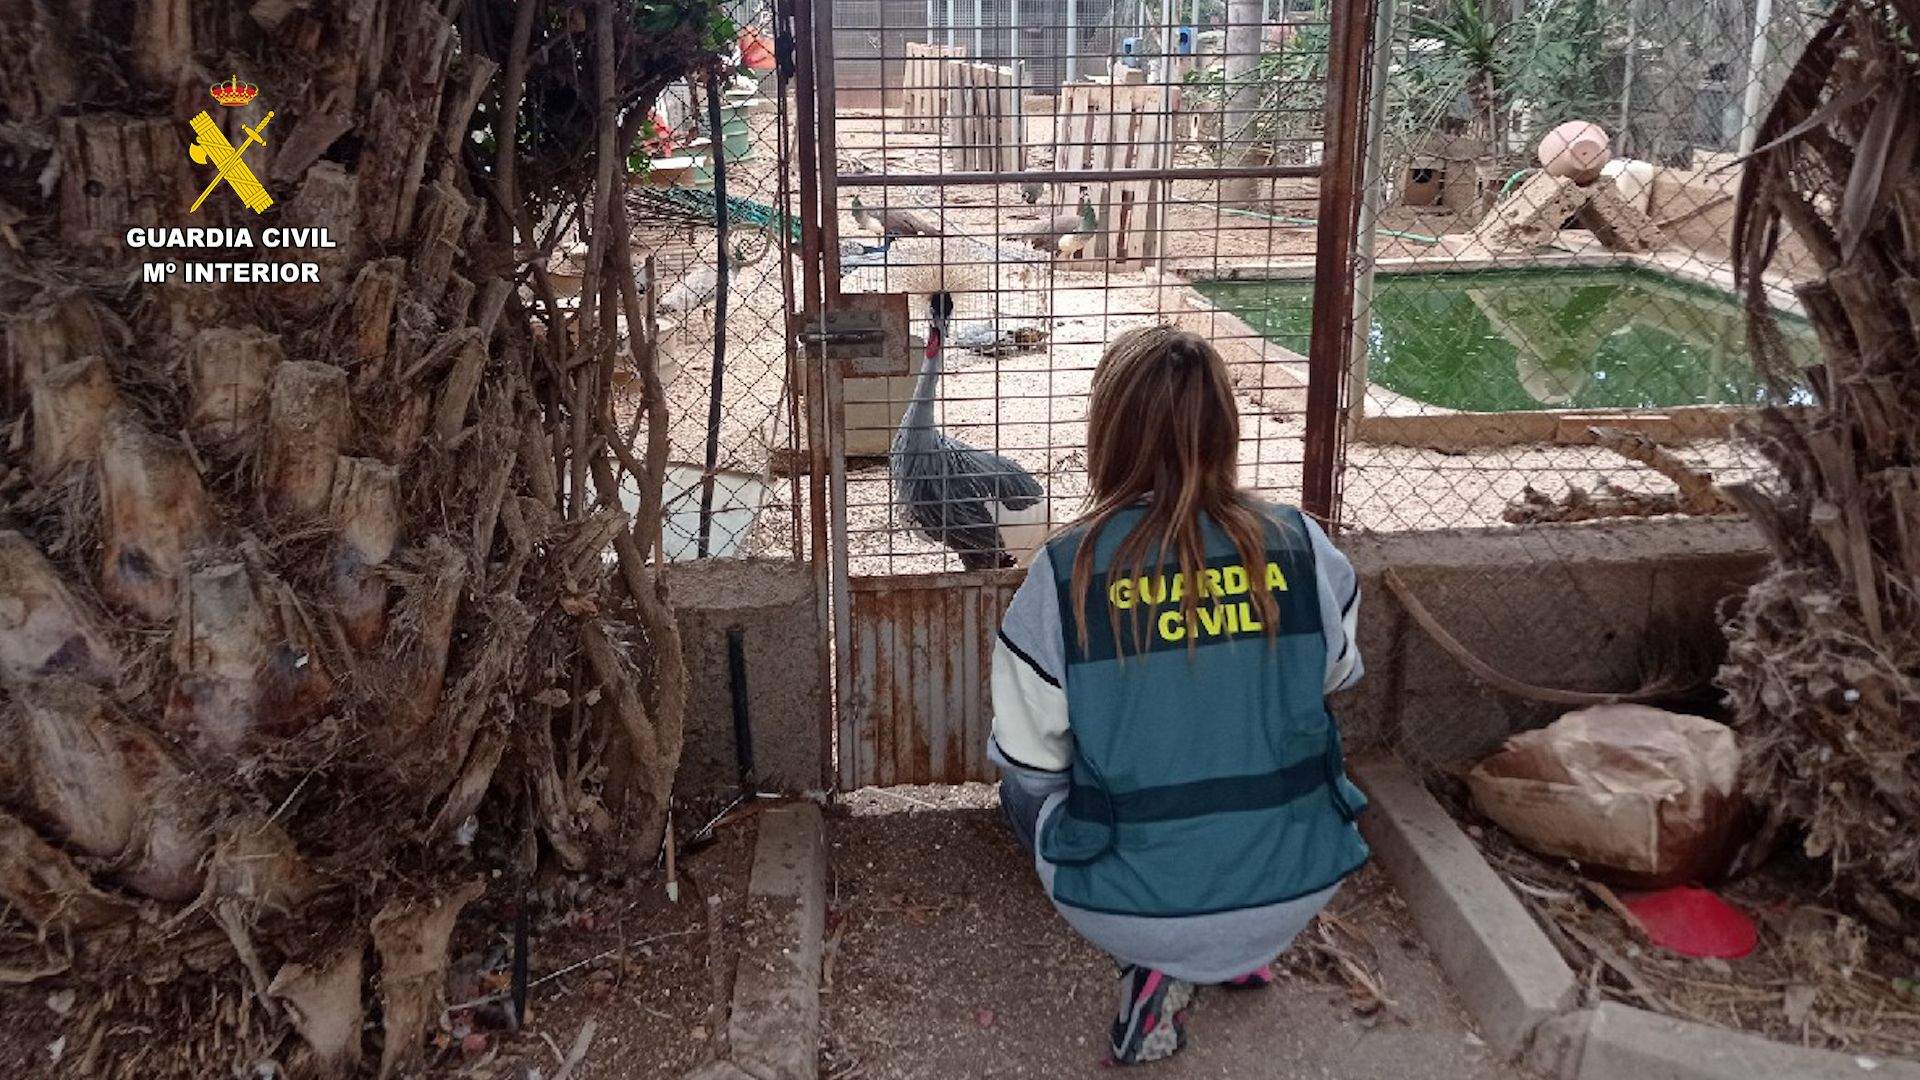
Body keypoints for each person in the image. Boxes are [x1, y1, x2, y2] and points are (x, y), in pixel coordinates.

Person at [988, 325, 1369, 1066]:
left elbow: (1030, 761)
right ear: (1227, 428)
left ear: (1108, 435)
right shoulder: (1300, 544)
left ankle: (1164, 962)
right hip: (1300, 882)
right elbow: (1335, 677)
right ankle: (1237, 950)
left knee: (1016, 787)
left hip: (1129, 907)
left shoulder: (1068, 570)